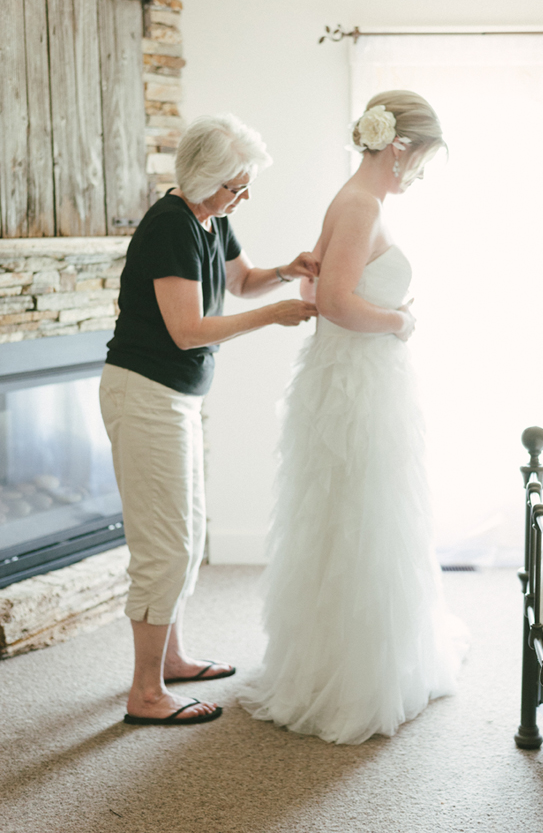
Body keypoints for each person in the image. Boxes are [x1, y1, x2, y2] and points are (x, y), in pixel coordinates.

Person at [238, 91, 469, 744]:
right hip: (358, 386)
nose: (419, 172)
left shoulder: (351, 200)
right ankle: (353, 678)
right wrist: (399, 319)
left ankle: (343, 664)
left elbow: (311, 288)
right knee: (364, 519)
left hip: (348, 379)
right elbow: (335, 301)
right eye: (422, 158)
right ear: (401, 147)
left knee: (353, 521)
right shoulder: (362, 204)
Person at [99, 114, 319, 726]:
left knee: (188, 534)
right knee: (164, 544)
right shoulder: (171, 225)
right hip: (145, 395)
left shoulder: (209, 217)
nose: (243, 198)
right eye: (236, 186)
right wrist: (275, 314)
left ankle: (169, 659)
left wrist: (288, 270)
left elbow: (242, 280)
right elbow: (188, 329)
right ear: (203, 178)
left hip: (175, 397)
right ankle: (145, 693)